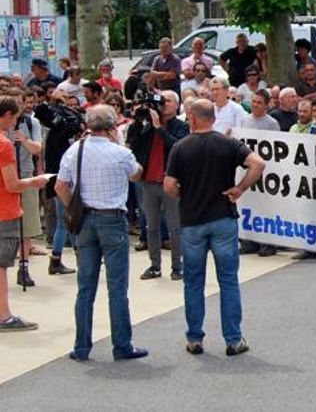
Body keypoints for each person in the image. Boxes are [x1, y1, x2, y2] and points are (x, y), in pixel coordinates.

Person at [164, 99, 265, 357]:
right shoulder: (228, 144)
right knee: (228, 280)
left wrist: (184, 194)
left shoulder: (180, 147)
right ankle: (233, 338)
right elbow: (258, 164)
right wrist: (240, 188)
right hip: (222, 216)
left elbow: (168, 185)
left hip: (193, 220)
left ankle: (195, 338)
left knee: (193, 281)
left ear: (194, 118)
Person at [54, 105, 147, 360]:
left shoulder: (75, 150)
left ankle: (82, 346)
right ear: (112, 127)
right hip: (112, 218)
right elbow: (138, 175)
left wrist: (73, 207)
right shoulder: (119, 152)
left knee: (85, 287)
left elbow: (61, 185)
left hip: (84, 218)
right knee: (117, 287)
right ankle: (122, 344)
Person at [127, 90, 189, 281]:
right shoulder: (148, 125)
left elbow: (178, 147)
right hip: (148, 181)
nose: (164, 104)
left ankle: (178, 266)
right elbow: (135, 145)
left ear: (176, 105)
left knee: (174, 226)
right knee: (151, 226)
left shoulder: (180, 126)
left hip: (169, 182)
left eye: (168, 101)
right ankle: (155, 266)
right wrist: (138, 121)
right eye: (162, 101)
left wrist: (159, 127)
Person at [0, 97, 49, 332]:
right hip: (4, 211)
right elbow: (12, 184)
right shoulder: (4, 144)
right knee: (0, 266)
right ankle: (4, 316)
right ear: (8, 115)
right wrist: (35, 181)